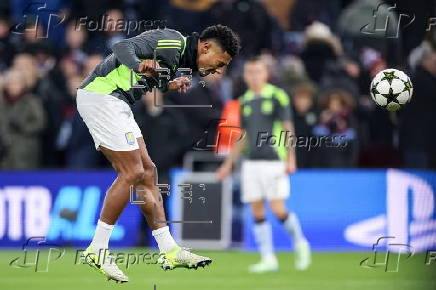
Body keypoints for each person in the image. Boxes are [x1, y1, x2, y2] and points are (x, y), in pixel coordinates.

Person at [76, 25, 240, 282]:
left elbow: (153, 81)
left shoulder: (179, 59)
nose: (218, 70)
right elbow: (122, 47)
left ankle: (169, 250)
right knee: (132, 172)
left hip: (118, 101)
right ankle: (97, 248)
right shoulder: (172, 41)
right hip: (102, 96)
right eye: (219, 63)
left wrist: (171, 84)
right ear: (206, 47)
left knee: (148, 172)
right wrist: (137, 65)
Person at [216, 57, 311, 273]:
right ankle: (268, 258)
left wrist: (291, 158)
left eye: (258, 72)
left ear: (266, 74)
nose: (253, 76)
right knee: (257, 212)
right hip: (251, 163)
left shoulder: (277, 96)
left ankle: (300, 243)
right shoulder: (245, 101)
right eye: (250, 72)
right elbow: (243, 136)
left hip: (274, 161)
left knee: (278, 209)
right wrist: (228, 164)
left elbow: (288, 128)